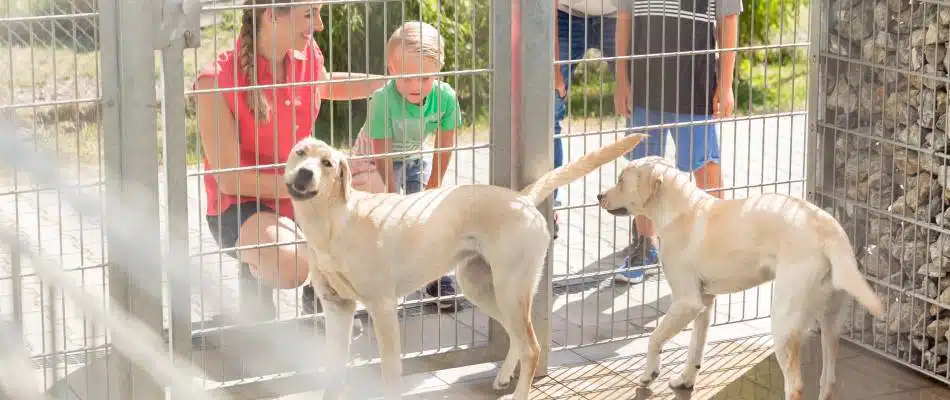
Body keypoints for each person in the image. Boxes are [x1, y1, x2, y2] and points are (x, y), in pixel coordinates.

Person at [192, 0, 387, 322]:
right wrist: (323, 189)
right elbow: (230, 180)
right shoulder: (215, 82)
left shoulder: (306, 55)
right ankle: (256, 288)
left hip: (303, 191)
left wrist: (390, 82)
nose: (320, 25)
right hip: (243, 204)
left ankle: (324, 296)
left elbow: (324, 84)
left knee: (375, 191)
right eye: (310, 14)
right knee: (290, 263)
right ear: (272, 16)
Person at [613, 0, 741, 283]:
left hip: (694, 86)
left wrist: (726, 84)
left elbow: (728, 18)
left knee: (705, 166)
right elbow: (624, 17)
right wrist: (622, 78)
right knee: (640, 169)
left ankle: (716, 250)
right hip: (644, 83)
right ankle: (646, 246)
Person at [356, 20, 463, 312]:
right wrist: (392, 195)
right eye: (407, 78)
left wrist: (433, 185)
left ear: (438, 69)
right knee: (382, 219)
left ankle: (434, 275)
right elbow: (382, 154)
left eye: (425, 77)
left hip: (415, 156)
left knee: (427, 215)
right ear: (391, 70)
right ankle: (377, 277)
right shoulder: (382, 100)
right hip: (373, 162)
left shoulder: (445, 98)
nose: (416, 86)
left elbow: (443, 147)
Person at [552, 0, 619, 237]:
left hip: (619, 12)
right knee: (547, 112)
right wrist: (555, 71)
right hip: (564, 14)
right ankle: (546, 209)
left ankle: (645, 226)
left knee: (643, 105)